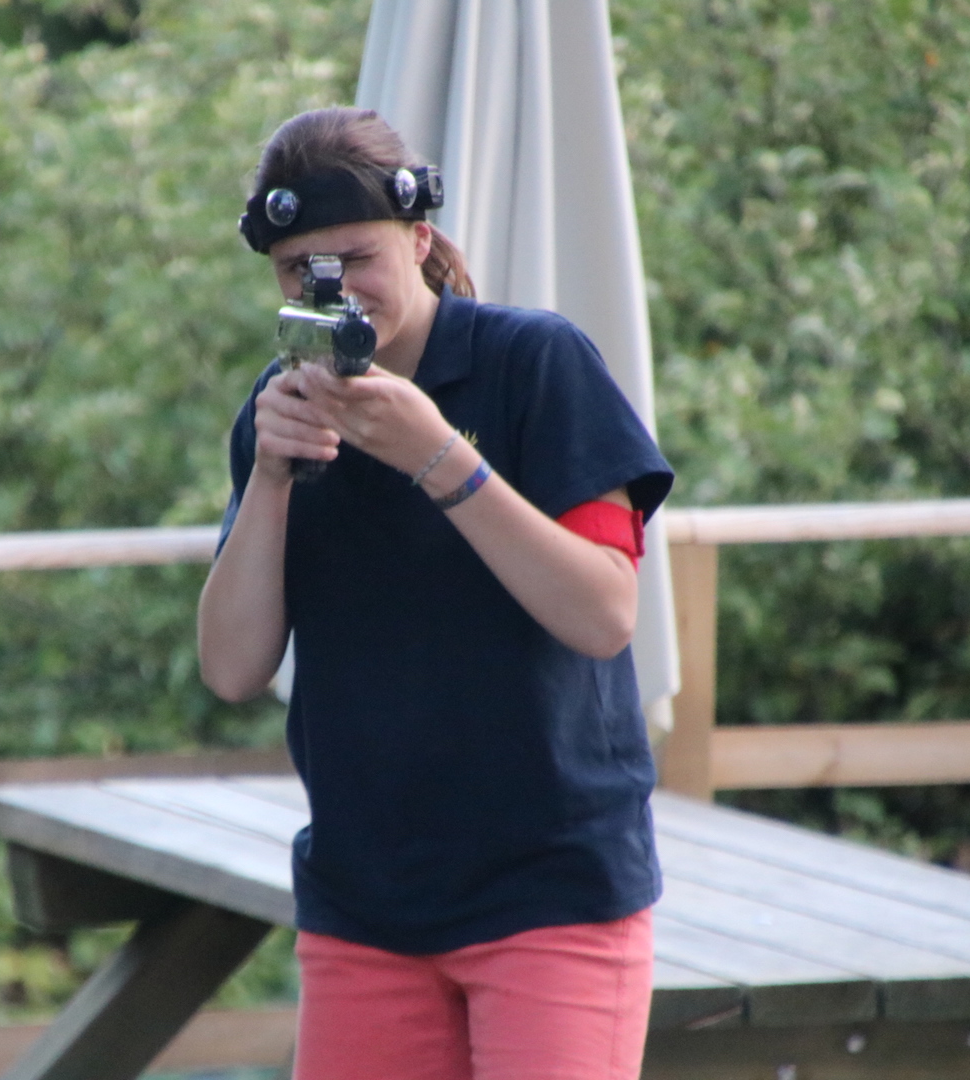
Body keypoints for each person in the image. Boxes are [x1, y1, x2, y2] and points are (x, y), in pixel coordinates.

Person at [197, 106, 674, 1080]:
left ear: (420, 239)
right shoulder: (280, 407)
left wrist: (439, 457)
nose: (333, 288)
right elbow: (233, 669)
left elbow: (604, 614)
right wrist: (273, 477)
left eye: (357, 258)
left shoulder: (534, 363)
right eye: (298, 270)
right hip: (364, 902)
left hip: (551, 892)